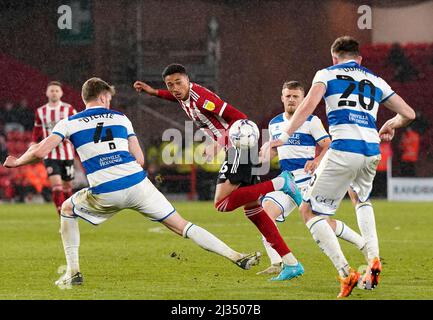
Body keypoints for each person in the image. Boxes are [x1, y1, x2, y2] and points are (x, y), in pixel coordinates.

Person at [3, 77, 262, 287]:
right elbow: (139, 159)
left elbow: (39, 151)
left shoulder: (69, 122)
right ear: (104, 97)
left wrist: (17, 162)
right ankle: (235, 255)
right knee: (182, 225)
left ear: (85, 98)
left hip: (105, 191)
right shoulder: (120, 118)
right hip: (139, 185)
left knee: (68, 210)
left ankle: (73, 272)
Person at [263, 36, 416, 298]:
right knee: (361, 200)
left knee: (309, 211)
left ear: (334, 58)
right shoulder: (375, 80)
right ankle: (373, 259)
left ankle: (346, 273)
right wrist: (392, 124)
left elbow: (308, 106)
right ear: (360, 59)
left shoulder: (327, 74)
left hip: (344, 148)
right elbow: (409, 114)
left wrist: (285, 135)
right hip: (371, 151)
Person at [134, 64, 304, 281]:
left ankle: (281, 183)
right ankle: (291, 263)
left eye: (178, 83)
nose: (175, 88)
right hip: (238, 145)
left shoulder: (201, 97)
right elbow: (174, 96)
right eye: (170, 85)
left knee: (222, 203)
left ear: (188, 80)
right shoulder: (182, 95)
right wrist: (154, 92)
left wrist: (219, 143)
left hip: (239, 145)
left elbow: (237, 116)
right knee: (253, 212)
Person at [258, 81, 367, 275]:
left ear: (303, 99)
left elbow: (328, 144)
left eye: (295, 96)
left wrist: (317, 159)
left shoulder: (311, 121)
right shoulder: (274, 123)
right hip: (286, 180)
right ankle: (277, 263)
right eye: (288, 96)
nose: (291, 100)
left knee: (322, 223)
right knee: (265, 215)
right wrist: (263, 156)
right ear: (282, 98)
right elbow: (274, 151)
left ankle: (362, 244)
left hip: (307, 179)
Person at [31, 81, 77, 215]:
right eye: (52, 90)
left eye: (57, 90)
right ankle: (61, 214)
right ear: (47, 93)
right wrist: (33, 146)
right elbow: (37, 132)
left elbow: (77, 127)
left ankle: (68, 212)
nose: (54, 93)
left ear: (61, 93)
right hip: (50, 154)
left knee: (67, 186)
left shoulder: (69, 109)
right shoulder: (41, 111)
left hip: (67, 154)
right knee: (57, 186)